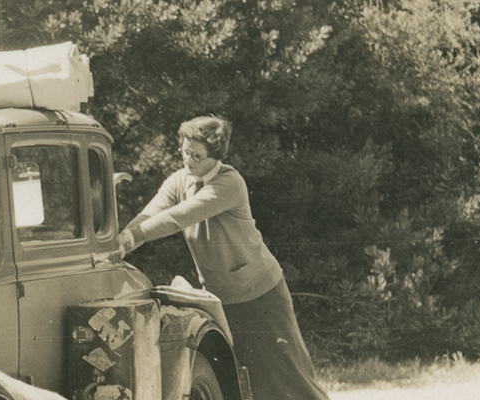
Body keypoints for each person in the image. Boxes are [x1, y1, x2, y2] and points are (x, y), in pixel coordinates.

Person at [120, 116, 327, 400]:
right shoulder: (180, 180)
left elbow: (179, 216)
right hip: (223, 298)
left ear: (215, 156)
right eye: (184, 151)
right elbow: (152, 212)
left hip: (262, 295)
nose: (188, 160)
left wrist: (131, 239)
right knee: (248, 382)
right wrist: (121, 240)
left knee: (290, 377)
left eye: (196, 155)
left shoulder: (229, 183)